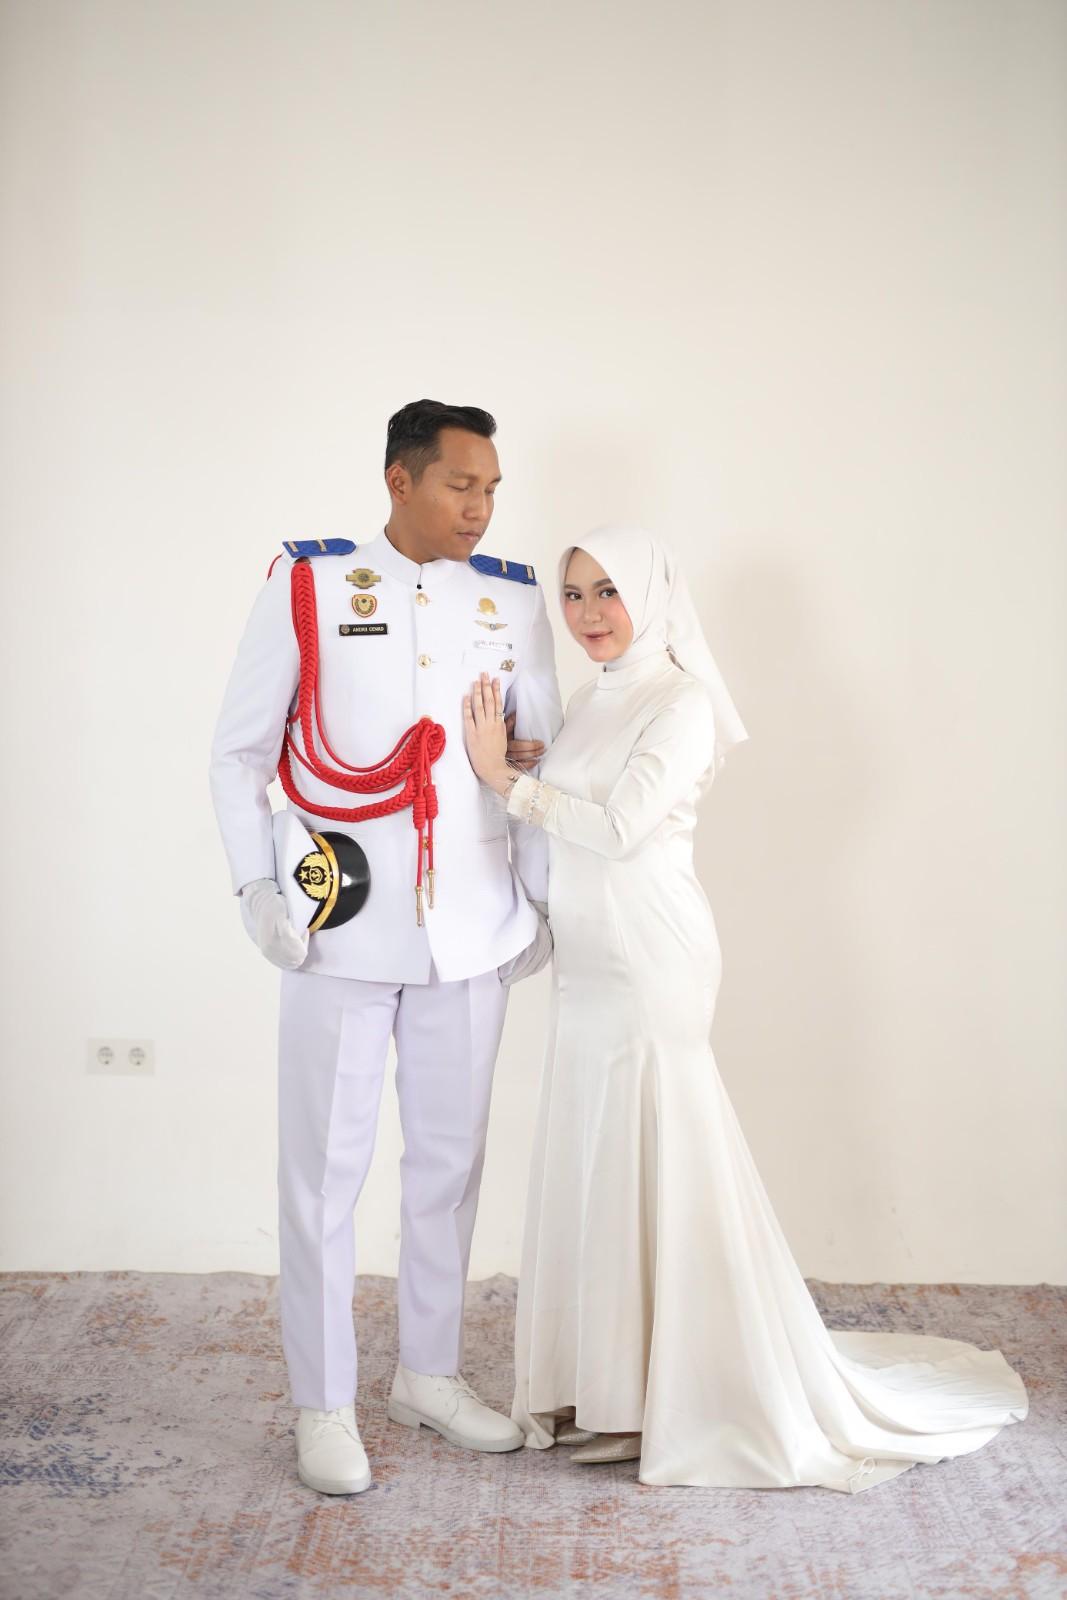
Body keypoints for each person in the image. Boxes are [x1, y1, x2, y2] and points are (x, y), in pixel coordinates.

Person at [463, 523, 1027, 1493]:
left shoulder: (680, 701)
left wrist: (506, 784)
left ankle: (672, 1392)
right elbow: (576, 806)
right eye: (575, 594)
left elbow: (623, 827)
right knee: (598, 1156)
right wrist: (530, 765)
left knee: (657, 1151)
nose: (589, 613)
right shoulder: (593, 701)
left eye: (608, 591)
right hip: (589, 965)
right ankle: (607, 1388)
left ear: (651, 594)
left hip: (651, 955)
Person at [209, 399, 563, 1495]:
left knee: (448, 1169)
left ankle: (429, 1373)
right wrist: (255, 885)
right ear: (400, 480)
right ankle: (322, 1402)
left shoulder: (512, 597)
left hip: (472, 928)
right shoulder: (312, 584)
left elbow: (537, 757)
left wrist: (543, 905)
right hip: (340, 927)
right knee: (322, 1174)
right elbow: (239, 752)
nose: (481, 506)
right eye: (461, 484)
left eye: (491, 488)